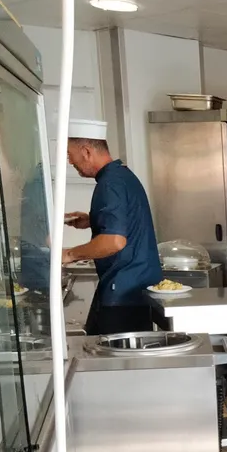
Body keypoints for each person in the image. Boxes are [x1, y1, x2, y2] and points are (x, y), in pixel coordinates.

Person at [62, 119, 161, 335]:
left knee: (116, 362)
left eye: (70, 155)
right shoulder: (121, 175)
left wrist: (70, 254)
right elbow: (129, 218)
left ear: (86, 151)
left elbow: (114, 241)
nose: (71, 162)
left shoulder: (109, 184)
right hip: (135, 288)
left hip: (124, 292)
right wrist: (92, 219)